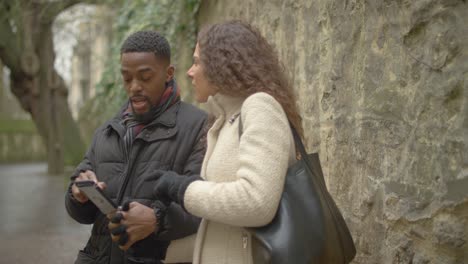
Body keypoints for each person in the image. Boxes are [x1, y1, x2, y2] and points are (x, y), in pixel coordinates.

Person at [152, 21, 304, 264]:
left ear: (222, 64)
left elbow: (257, 203)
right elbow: (222, 235)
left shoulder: (260, 107)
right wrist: (156, 252)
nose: (190, 71)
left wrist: (183, 189)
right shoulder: (224, 121)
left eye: (197, 62)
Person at [65, 31, 206, 264]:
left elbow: (204, 206)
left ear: (168, 74)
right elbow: (80, 213)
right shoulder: (107, 130)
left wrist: (156, 219)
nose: (134, 87)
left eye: (145, 77)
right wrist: (78, 194)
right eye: (127, 78)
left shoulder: (198, 127)